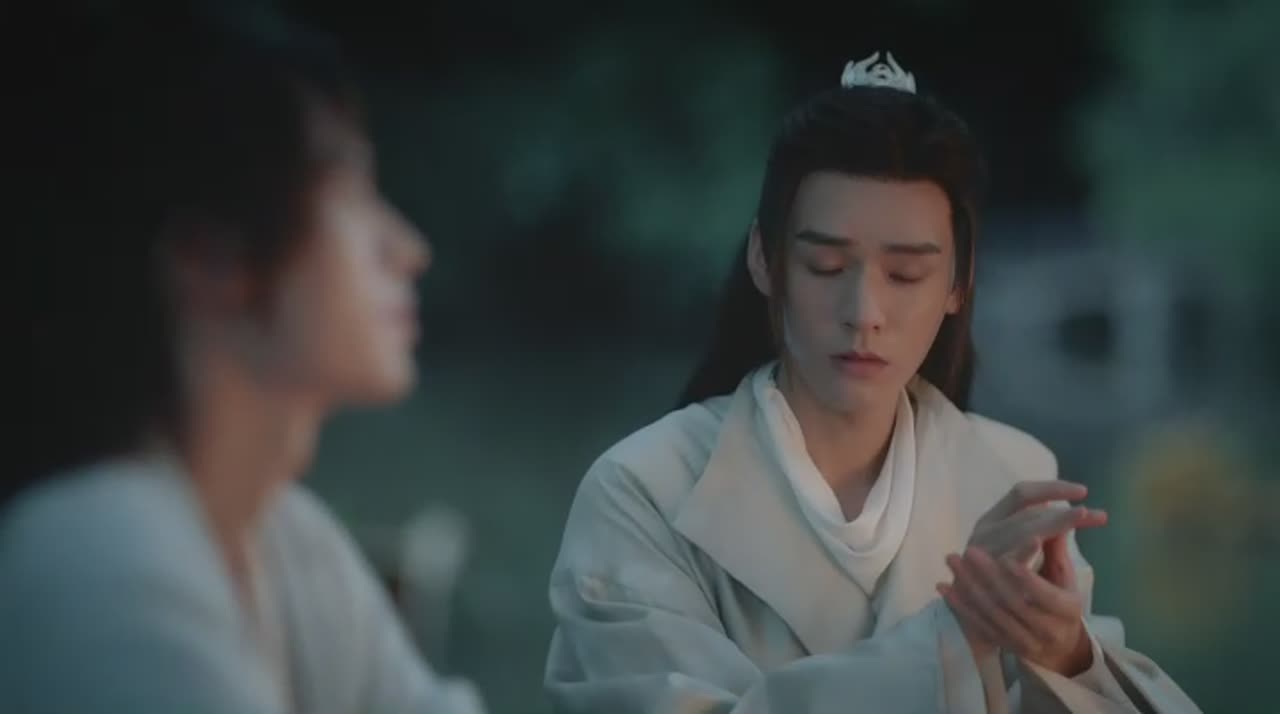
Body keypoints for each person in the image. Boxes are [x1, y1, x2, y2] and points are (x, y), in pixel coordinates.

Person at [544, 52, 1201, 713]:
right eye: (827, 267)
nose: (864, 313)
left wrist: (1064, 657)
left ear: (959, 283)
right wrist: (952, 636)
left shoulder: (1009, 475)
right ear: (764, 260)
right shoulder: (643, 490)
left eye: (907, 275)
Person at [4, 5, 483, 713]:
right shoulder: (96, 553)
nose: (408, 249)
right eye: (352, 196)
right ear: (211, 261)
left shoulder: (289, 540)